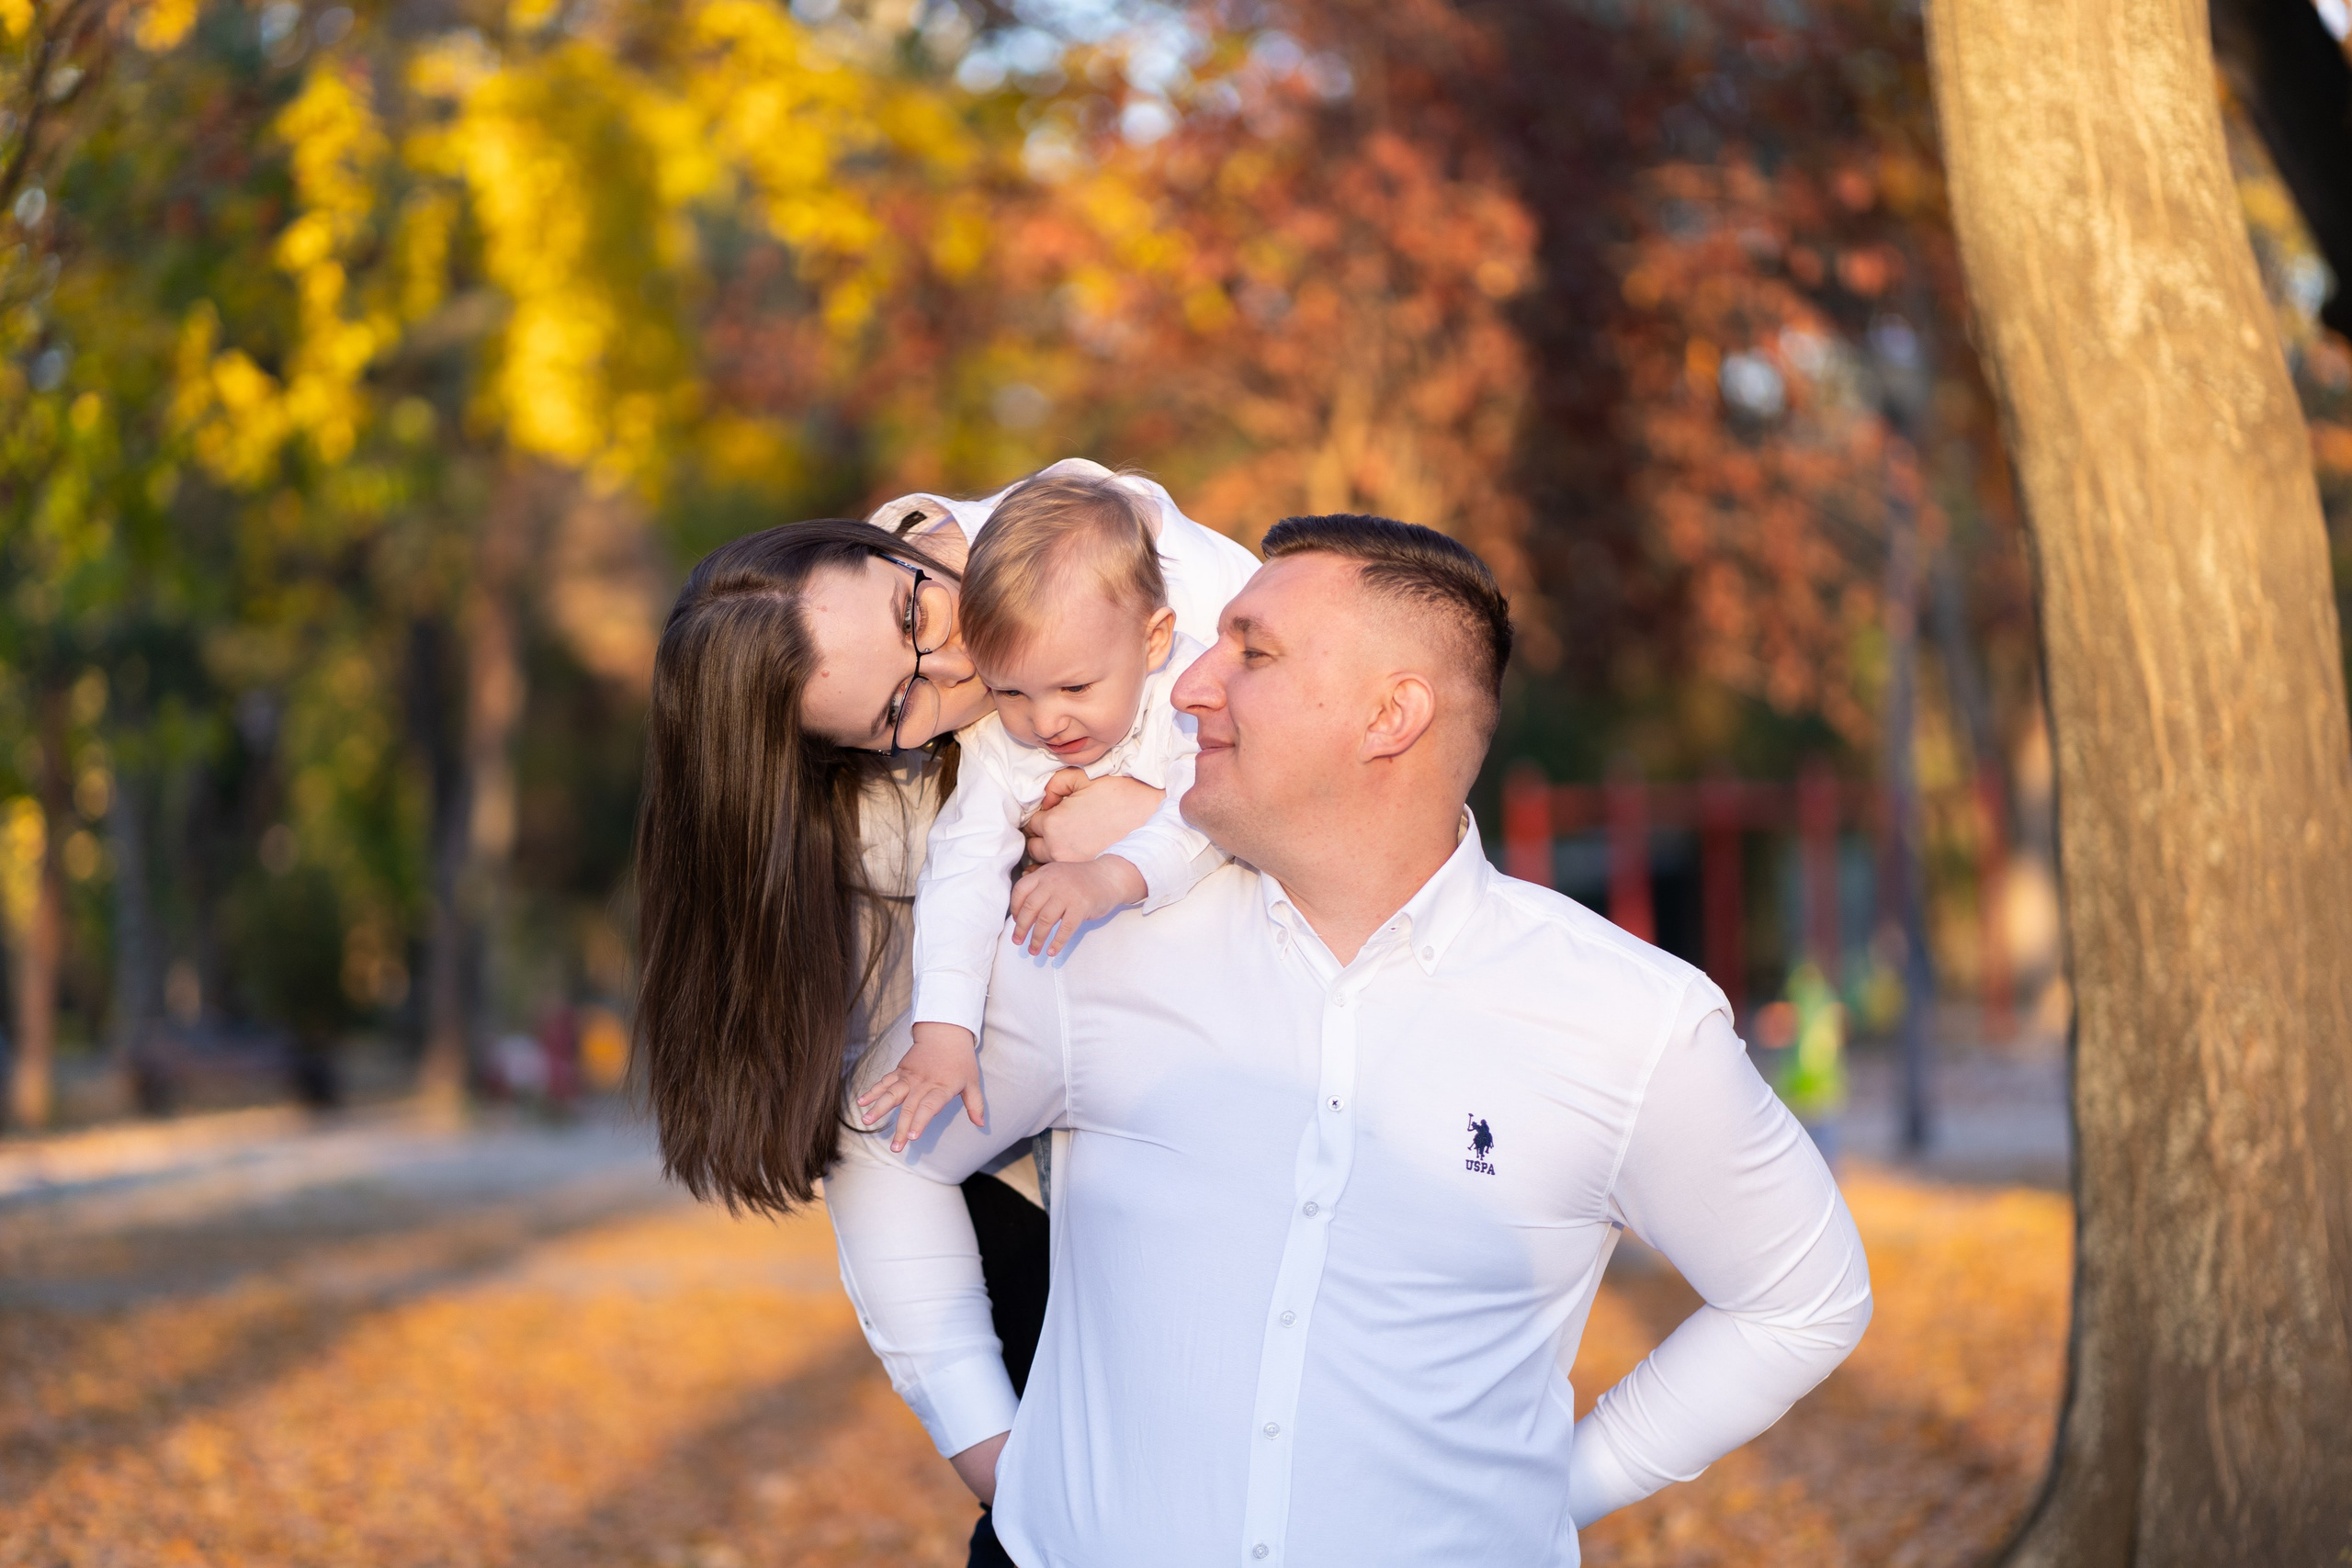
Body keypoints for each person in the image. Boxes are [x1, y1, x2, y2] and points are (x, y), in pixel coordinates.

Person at [825, 515, 1873, 1567]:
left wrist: (1552, 1495)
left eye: (1252, 652)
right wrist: (984, 1439)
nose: (1189, 685)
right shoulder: (1086, 953)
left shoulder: (1628, 1020)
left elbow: (1801, 1299)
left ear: (1392, 715)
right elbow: (880, 1141)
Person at [630, 458, 1258, 1568]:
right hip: (1033, 1162)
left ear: (881, 545)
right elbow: (882, 1124)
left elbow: (1340, 774)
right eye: (896, 705)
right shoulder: (876, 820)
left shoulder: (1107, 555)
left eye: (915, 611)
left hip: (1251, 1091)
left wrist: (1157, 820)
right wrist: (994, 1461)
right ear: (846, 753)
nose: (955, 661)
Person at [859, 475, 1223, 1150]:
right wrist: (944, 1028)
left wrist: (1110, 873)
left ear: (1154, 639)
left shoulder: (1193, 691)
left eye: (1075, 686)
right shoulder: (1000, 742)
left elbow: (1222, 811)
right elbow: (963, 869)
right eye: (1010, 690)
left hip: (1224, 1008)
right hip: (1088, 1017)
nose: (1047, 720)